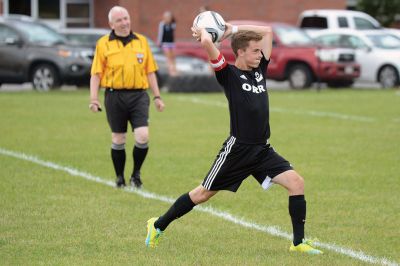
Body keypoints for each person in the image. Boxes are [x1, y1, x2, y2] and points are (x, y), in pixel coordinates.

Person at [145, 22, 323, 254]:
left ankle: (298, 243)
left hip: (262, 150)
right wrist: (206, 32)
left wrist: (232, 28)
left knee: (296, 182)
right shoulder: (228, 74)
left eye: (261, 51)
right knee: (202, 194)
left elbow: (267, 31)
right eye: (255, 51)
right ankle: (157, 225)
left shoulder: (260, 71)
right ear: (240, 52)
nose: (260, 55)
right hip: (238, 150)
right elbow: (208, 42)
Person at [89, 6, 165, 189]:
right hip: (114, 96)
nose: (124, 23)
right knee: (118, 138)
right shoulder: (103, 44)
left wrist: (157, 96)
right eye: (119, 20)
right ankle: (119, 177)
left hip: (139, 95)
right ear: (111, 24)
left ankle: (136, 174)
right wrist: (94, 99)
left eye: (126, 18)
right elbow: (96, 74)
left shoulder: (141, 42)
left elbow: (150, 71)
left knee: (143, 135)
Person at [157, 11, 178, 76]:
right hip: (165, 43)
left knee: (173, 57)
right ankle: (171, 71)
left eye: (169, 17)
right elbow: (160, 34)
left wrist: (172, 18)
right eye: (166, 17)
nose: (168, 19)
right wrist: (159, 43)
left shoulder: (172, 24)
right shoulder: (162, 24)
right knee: (168, 57)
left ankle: (174, 69)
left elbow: (175, 21)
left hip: (171, 43)